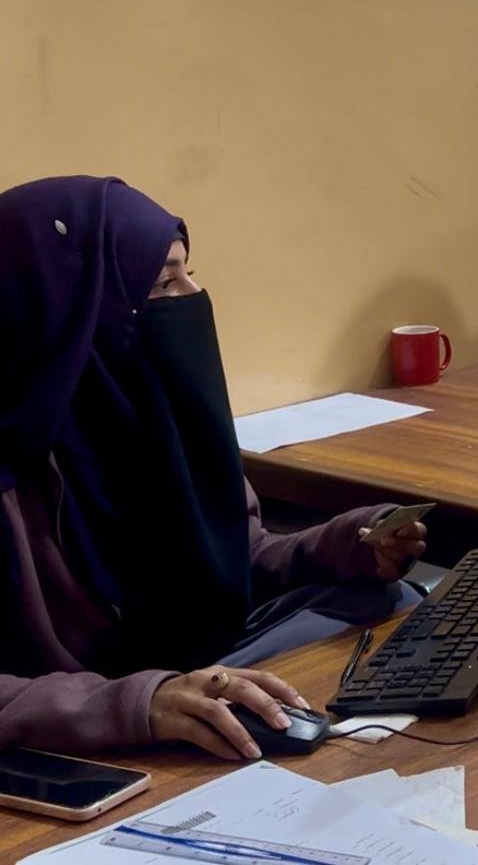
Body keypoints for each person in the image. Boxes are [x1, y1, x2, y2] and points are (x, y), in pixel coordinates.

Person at [1, 176, 427, 758]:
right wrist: (139, 704)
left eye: (190, 273)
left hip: (184, 673)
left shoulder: (145, 409)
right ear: (67, 308)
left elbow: (231, 558)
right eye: (163, 283)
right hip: (78, 723)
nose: (193, 296)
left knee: (390, 598)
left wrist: (348, 544)